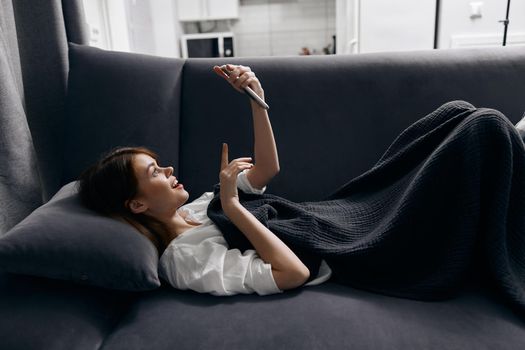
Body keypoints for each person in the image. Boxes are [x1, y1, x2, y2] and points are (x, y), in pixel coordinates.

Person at [79, 64, 332, 296]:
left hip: (326, 220)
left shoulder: (195, 210)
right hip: (330, 251)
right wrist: (232, 207)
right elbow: (293, 273)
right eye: (154, 172)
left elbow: (266, 169)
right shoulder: (185, 260)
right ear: (137, 205)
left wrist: (257, 99)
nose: (168, 169)